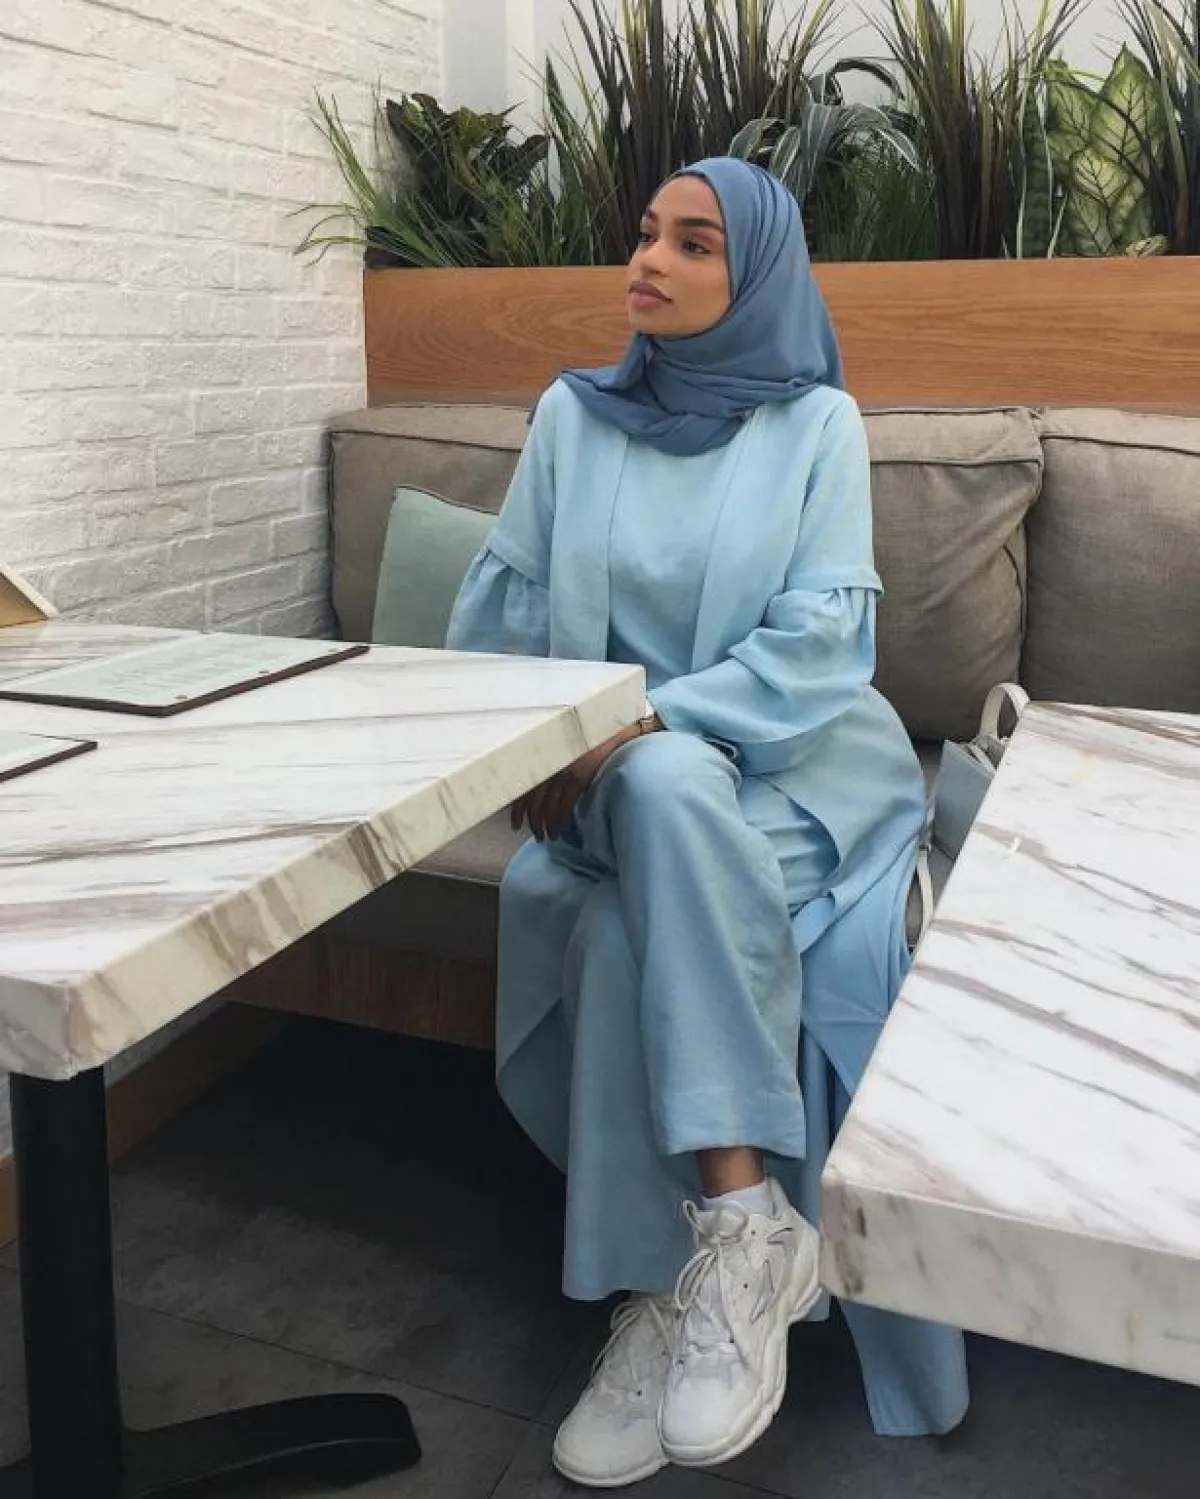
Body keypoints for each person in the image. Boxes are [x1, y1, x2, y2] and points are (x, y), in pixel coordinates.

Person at [446, 157, 968, 1487]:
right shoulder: (572, 418)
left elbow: (820, 645)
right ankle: (746, 1223)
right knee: (663, 792)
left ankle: (661, 1286)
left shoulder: (817, 426)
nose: (651, 261)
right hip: (606, 778)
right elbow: (505, 617)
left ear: (761, 277)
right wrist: (566, 738)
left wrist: (647, 723)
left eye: (695, 244)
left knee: (632, 913)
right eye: (645, 234)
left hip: (796, 770)